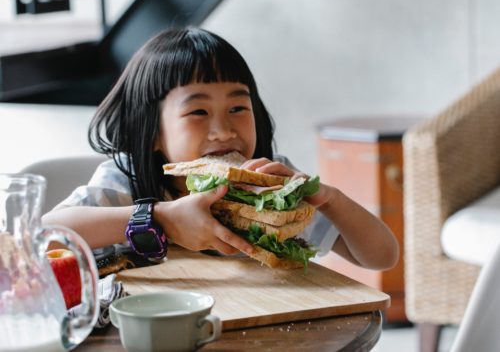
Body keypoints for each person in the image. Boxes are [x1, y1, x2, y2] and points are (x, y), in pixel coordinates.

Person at [42, 27, 398, 270]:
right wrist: (160, 217)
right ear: (152, 132)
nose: (223, 129)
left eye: (238, 109)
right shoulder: (127, 181)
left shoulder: (271, 184)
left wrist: (328, 198)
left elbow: (381, 257)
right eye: (198, 111)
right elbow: (48, 234)